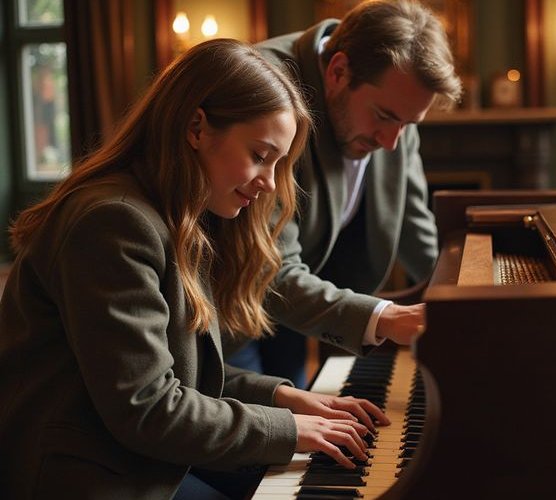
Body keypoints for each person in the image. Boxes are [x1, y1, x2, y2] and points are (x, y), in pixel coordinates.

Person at [0, 38, 390, 500]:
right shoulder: (113, 222)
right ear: (196, 127)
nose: (268, 184)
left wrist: (286, 398)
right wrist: (289, 427)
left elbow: (184, 376)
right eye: (260, 156)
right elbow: (149, 408)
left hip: (142, 453)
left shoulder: (177, 212)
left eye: (278, 163)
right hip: (90, 475)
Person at [230, 0, 463, 387]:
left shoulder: (396, 102)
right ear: (338, 71)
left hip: (301, 307)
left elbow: (414, 226)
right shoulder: (269, 87)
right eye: (385, 117)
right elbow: (269, 269)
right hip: (231, 313)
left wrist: (460, 307)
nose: (392, 143)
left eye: (409, 124)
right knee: (263, 432)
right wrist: (384, 318)